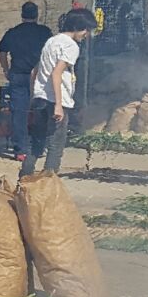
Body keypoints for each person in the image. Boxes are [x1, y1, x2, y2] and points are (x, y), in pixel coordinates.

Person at [20, 9, 94, 177]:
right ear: (78, 27)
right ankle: (48, 184)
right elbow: (56, 73)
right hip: (56, 101)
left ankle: (24, 180)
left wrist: (34, 96)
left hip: (41, 100)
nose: (86, 35)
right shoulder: (71, 46)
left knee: (36, 142)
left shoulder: (51, 42)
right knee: (55, 145)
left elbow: (34, 71)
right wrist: (59, 106)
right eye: (86, 30)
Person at [0, 1, 51, 161]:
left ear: (22, 15)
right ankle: (38, 147)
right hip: (40, 76)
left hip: (18, 75)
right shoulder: (44, 32)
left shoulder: (13, 32)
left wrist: (6, 70)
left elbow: (2, 54)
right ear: (37, 15)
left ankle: (20, 150)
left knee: (19, 113)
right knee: (41, 111)